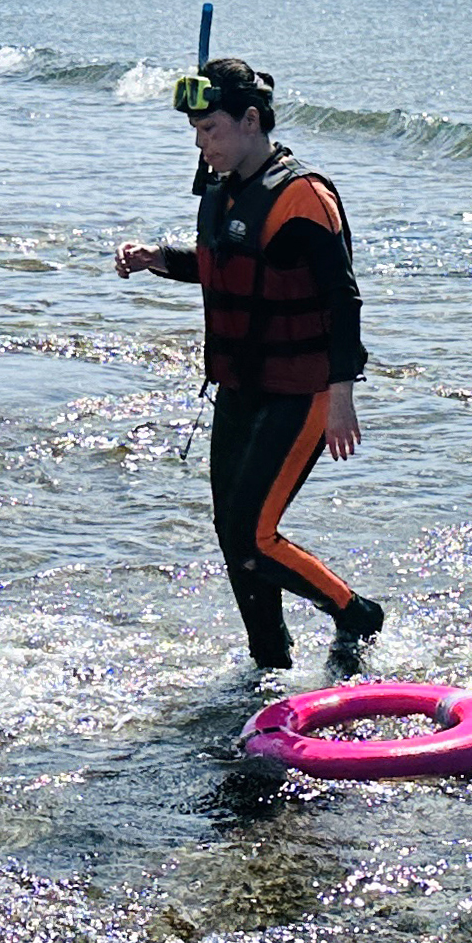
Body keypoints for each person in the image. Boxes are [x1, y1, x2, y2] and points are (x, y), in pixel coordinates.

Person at [112, 57, 386, 667]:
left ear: (252, 120)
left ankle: (356, 613)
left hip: (304, 390)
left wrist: (343, 395)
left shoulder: (304, 199)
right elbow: (225, 263)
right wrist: (161, 258)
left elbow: (345, 301)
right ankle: (271, 659)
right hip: (240, 387)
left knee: (256, 539)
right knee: (233, 535)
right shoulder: (223, 187)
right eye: (196, 133)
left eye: (211, 130)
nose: (201, 143)